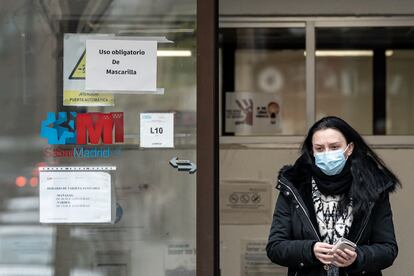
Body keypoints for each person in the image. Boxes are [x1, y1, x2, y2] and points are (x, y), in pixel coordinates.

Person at [266, 116, 400, 276]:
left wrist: (358, 258)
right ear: (312, 151)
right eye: (320, 149)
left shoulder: (373, 188)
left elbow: (388, 249)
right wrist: (309, 250)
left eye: (335, 147)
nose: (327, 154)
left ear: (349, 148)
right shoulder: (295, 186)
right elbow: (275, 247)